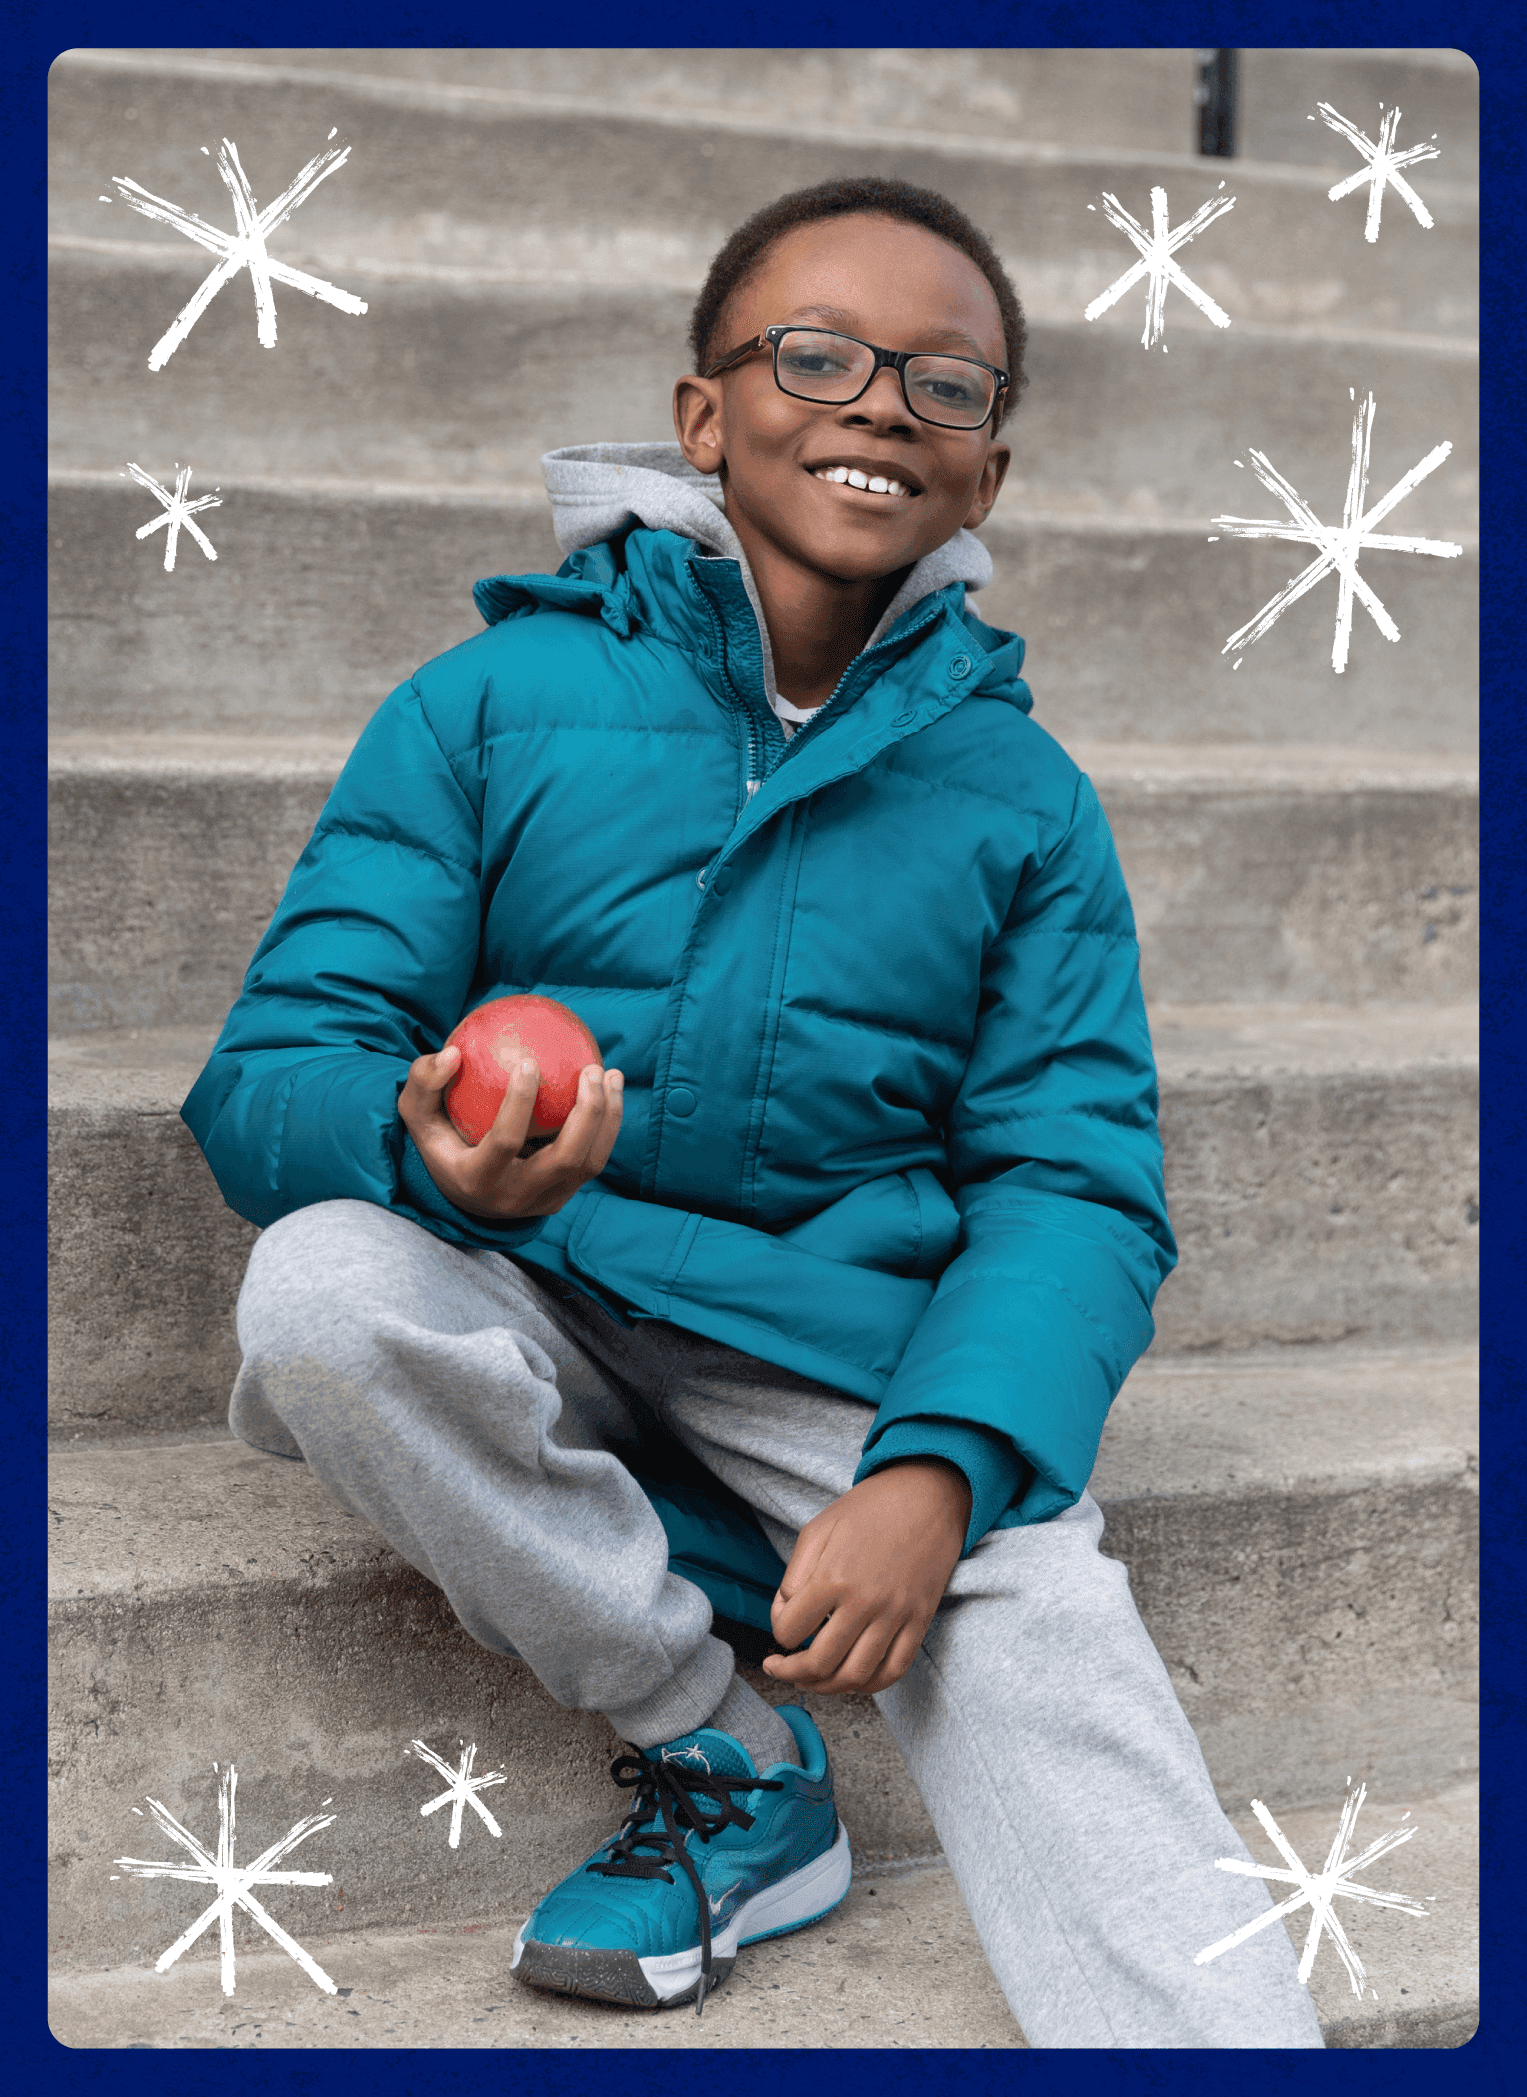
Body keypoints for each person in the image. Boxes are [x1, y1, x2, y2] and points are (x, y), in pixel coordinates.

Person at [183, 175, 1323, 2046]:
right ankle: (723, 1754)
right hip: (525, 1271)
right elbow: (275, 1065)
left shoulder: (1020, 802)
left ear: (989, 475)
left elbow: (1073, 1183)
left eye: (941, 385)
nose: (877, 405)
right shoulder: (487, 706)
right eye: (815, 357)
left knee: (1039, 1627)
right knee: (320, 1293)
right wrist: (415, 1147)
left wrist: (936, 1474)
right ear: (704, 417)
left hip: (832, 1347)